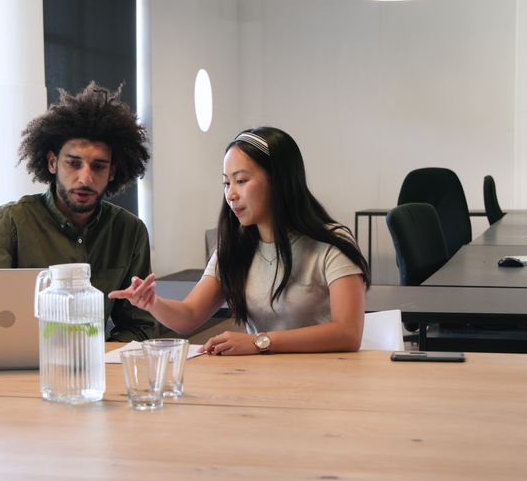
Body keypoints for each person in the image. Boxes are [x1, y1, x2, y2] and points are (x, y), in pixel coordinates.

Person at [109, 126, 370, 355]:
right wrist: (153, 303)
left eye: (241, 181)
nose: (230, 195)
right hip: (261, 378)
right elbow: (189, 316)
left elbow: (348, 333)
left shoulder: (332, 244)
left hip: (326, 377)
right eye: (226, 183)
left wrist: (260, 342)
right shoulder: (234, 247)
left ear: (279, 180)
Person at [0, 82, 157, 342]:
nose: (85, 178)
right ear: (52, 162)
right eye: (73, 164)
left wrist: (99, 357)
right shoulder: (7, 225)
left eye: (98, 167)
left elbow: (140, 326)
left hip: (95, 364)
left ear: (112, 172)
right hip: (20, 362)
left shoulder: (130, 232)